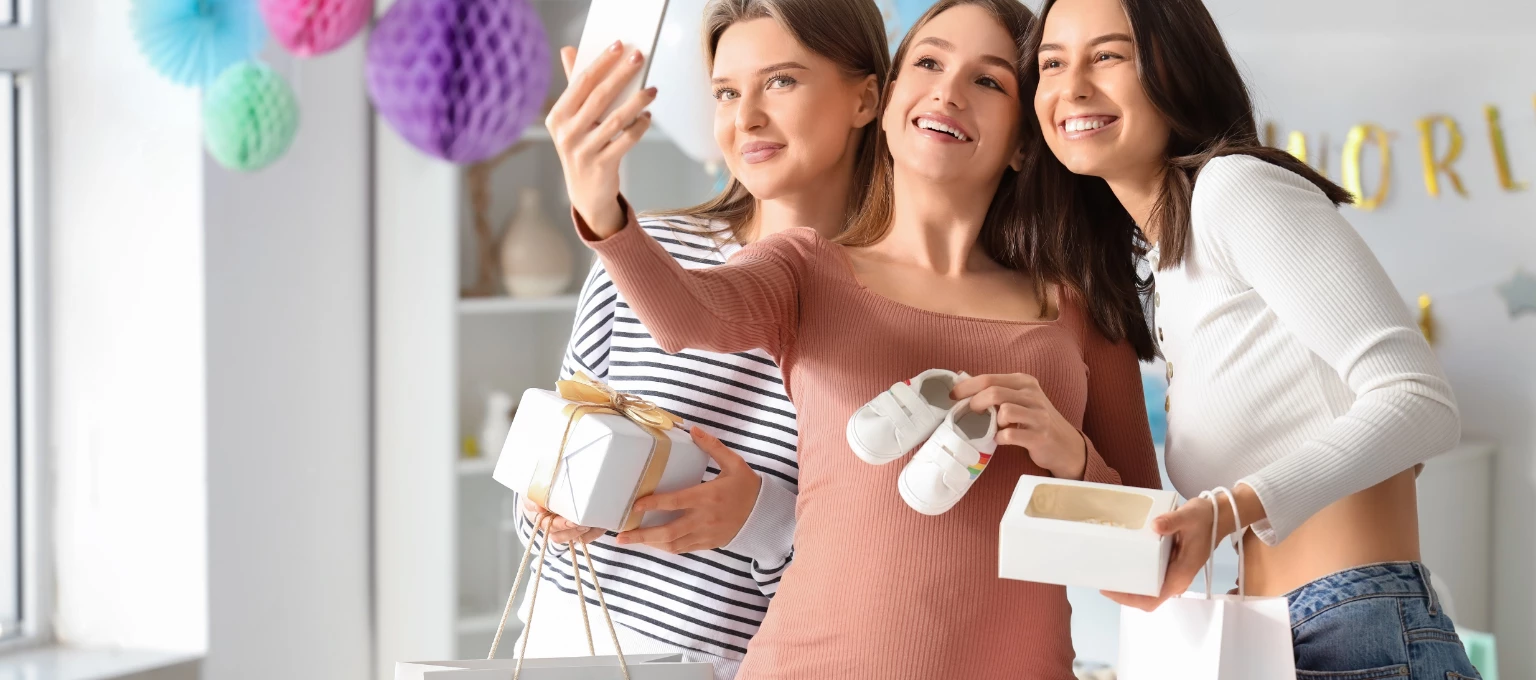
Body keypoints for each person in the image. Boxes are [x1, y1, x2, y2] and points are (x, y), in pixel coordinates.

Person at [547, 1, 1162, 678]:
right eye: (927, 63)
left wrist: (1071, 457)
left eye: (988, 80)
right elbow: (687, 316)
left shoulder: (1080, 314)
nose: (947, 91)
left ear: (1023, 140)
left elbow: (1147, 575)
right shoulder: (808, 268)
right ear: (892, 97)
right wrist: (602, 208)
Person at [1023, 0, 1479, 676]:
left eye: (1109, 55)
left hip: (1351, 627)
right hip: (1278, 631)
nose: (1073, 86)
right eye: (1052, 63)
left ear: (1175, 66)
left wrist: (1227, 508)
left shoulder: (1233, 189)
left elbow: (1420, 401)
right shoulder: (1167, 262)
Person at [511, 1, 888, 678]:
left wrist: (760, 519)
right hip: (558, 642)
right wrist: (553, 501)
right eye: (725, 91)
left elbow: (873, 582)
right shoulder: (644, 252)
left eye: (781, 81)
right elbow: (539, 487)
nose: (745, 119)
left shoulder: (889, 316)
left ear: (866, 97)